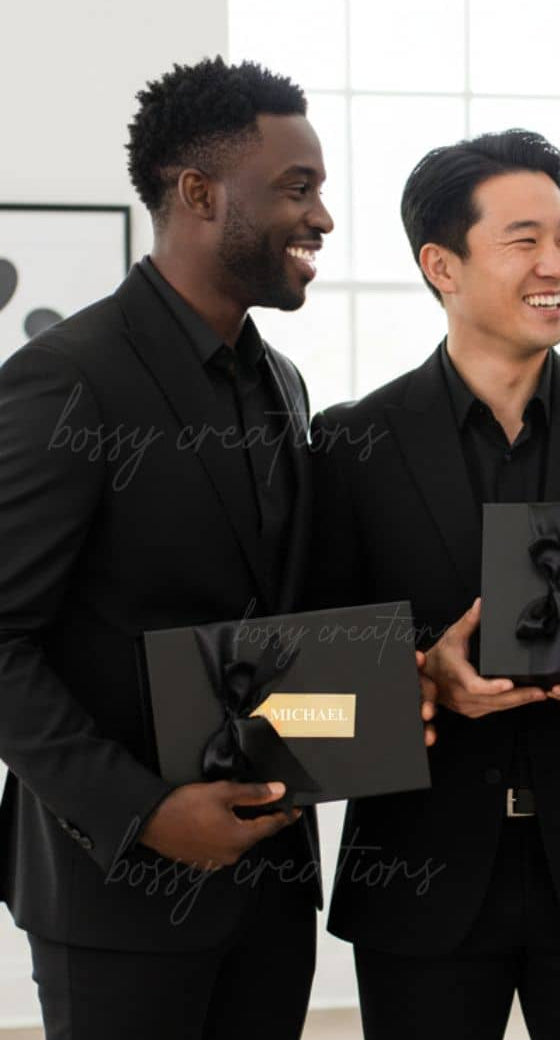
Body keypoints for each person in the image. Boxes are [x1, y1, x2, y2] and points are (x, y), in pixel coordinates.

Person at [308, 129, 560, 1040]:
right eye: (525, 241)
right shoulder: (352, 444)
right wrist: (416, 682)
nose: (556, 264)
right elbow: (312, 670)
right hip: (419, 878)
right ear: (442, 265)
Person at [0, 57, 335, 1040]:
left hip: (271, 891)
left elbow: (276, 622)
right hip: (117, 893)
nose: (321, 218)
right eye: (297, 187)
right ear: (199, 193)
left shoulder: (285, 384)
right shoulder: (66, 380)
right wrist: (146, 813)